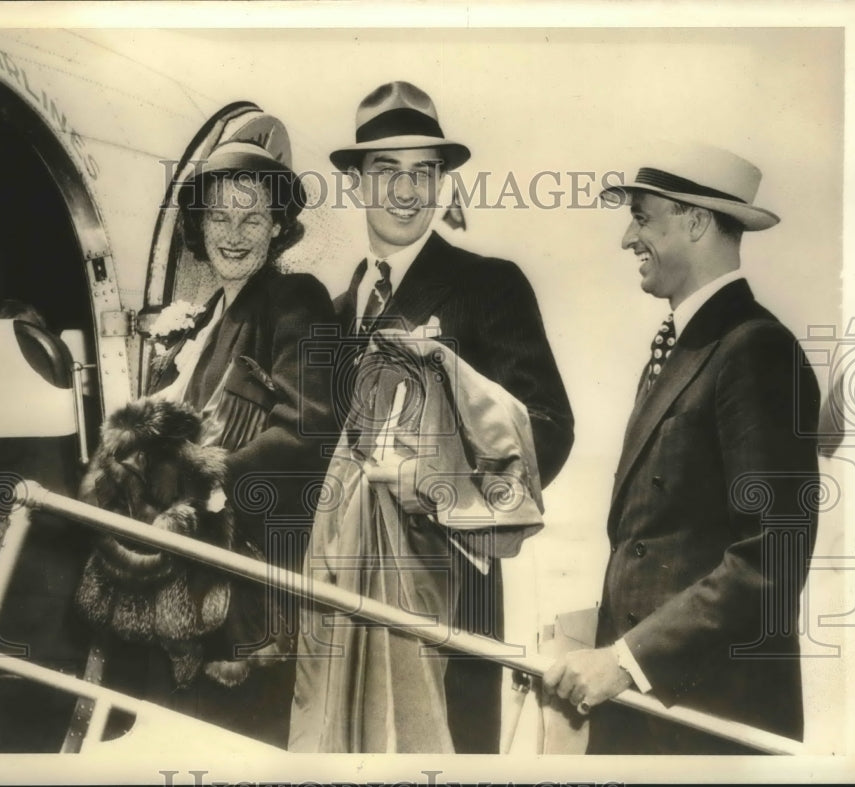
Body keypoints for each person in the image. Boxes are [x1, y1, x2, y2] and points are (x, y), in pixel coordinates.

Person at [291, 81, 575, 753]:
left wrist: (429, 480)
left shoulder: (489, 285)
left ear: (442, 181)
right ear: (357, 182)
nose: (406, 190)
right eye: (386, 171)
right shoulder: (332, 315)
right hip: (339, 618)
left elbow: (549, 431)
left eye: (424, 171)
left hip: (447, 610)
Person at [541, 143, 820, 753]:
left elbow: (772, 555)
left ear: (695, 220)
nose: (625, 239)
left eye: (641, 217)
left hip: (708, 720)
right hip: (647, 714)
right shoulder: (688, 345)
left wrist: (626, 660)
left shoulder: (755, 348)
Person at [77, 108, 337, 748]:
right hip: (179, 584)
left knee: (221, 743)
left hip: (241, 595)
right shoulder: (200, 325)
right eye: (219, 217)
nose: (234, 233)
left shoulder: (296, 299)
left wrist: (202, 486)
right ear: (200, 226)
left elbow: (307, 433)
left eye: (252, 217)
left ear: (278, 227)